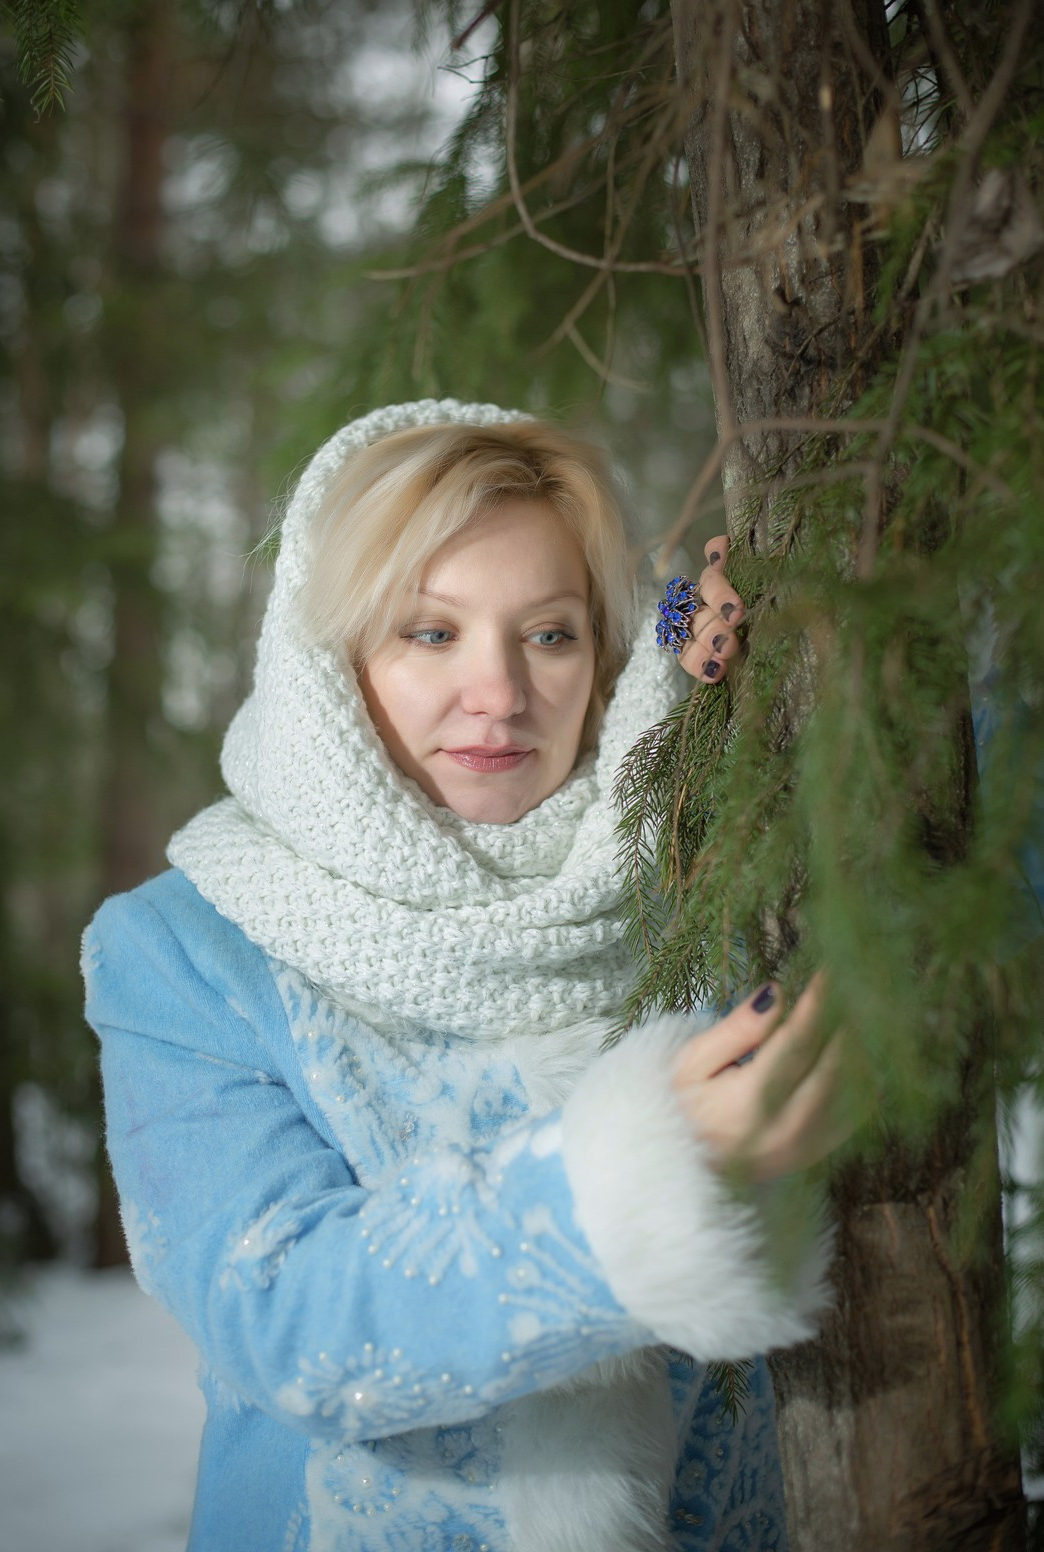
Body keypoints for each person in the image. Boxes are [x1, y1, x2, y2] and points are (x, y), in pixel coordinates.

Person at [83, 398, 845, 1552]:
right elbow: (282, 1315)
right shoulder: (186, 949)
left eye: (547, 633)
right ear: (325, 656)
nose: (496, 693)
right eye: (429, 633)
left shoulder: (693, 875)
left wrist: (735, 624)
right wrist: (638, 1177)